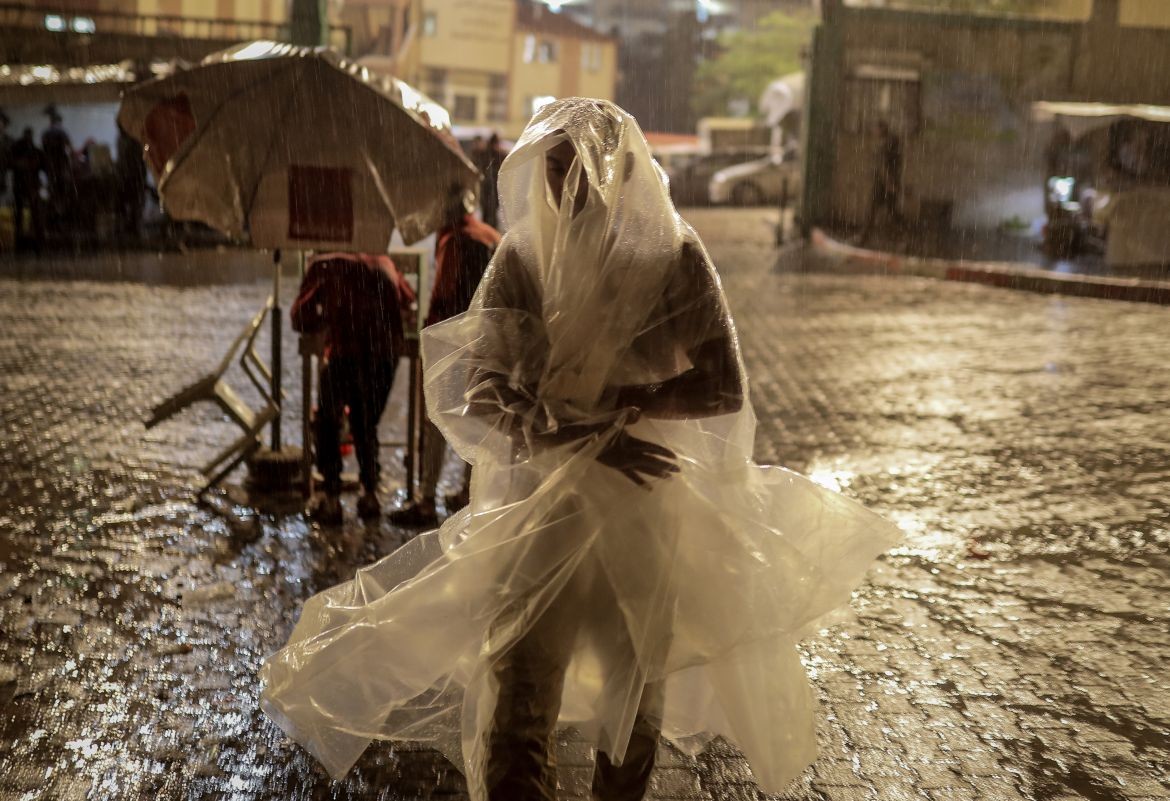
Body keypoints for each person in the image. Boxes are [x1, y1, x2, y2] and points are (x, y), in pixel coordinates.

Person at [261, 99, 899, 801]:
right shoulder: (523, 258)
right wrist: (584, 434)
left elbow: (723, 384)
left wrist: (621, 409)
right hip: (543, 509)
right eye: (554, 167)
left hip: (642, 513)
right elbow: (481, 390)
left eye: (582, 168)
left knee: (633, 702)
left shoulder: (673, 257)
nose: (566, 185)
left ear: (621, 171)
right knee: (517, 698)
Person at [391, 185, 501, 528]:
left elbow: (443, 296)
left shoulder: (455, 240)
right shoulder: (490, 235)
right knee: (478, 419)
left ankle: (426, 499)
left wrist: (429, 341)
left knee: (435, 420)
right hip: (488, 343)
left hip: (455, 343)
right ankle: (468, 493)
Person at [291, 252, 414, 524]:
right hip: (385, 355)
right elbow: (409, 301)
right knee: (366, 422)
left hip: (345, 352)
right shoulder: (383, 261)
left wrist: (326, 321)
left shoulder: (323, 264)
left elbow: (299, 316)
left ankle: (331, 498)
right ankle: (370, 494)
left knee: (327, 421)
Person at [860, 119, 903, 245]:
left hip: (882, 184)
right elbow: (890, 165)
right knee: (891, 212)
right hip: (888, 182)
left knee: (872, 210)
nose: (873, 131)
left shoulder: (886, 144)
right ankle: (902, 237)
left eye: (875, 129)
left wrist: (889, 183)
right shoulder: (891, 143)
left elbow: (883, 166)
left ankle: (863, 237)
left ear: (882, 129)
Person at [10, 128, 46, 252]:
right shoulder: (34, 152)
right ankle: (35, 246)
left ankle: (25, 245)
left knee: (26, 217)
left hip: (25, 188)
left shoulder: (20, 152)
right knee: (32, 217)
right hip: (27, 188)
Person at [41, 105, 75, 229]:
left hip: (51, 169)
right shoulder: (62, 132)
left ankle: (53, 219)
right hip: (61, 168)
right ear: (59, 121)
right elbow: (69, 149)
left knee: (53, 194)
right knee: (62, 194)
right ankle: (61, 218)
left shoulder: (45, 133)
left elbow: (44, 151)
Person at [116, 125, 148, 240]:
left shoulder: (125, 140)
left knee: (131, 203)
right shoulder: (127, 139)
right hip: (131, 176)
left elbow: (136, 159)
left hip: (130, 175)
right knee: (133, 203)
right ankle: (131, 227)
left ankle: (130, 227)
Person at [480, 132, 505, 229]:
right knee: (491, 212)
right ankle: (491, 231)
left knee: (487, 212)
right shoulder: (499, 154)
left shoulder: (484, 153)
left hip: (487, 187)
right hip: (492, 187)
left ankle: (486, 231)